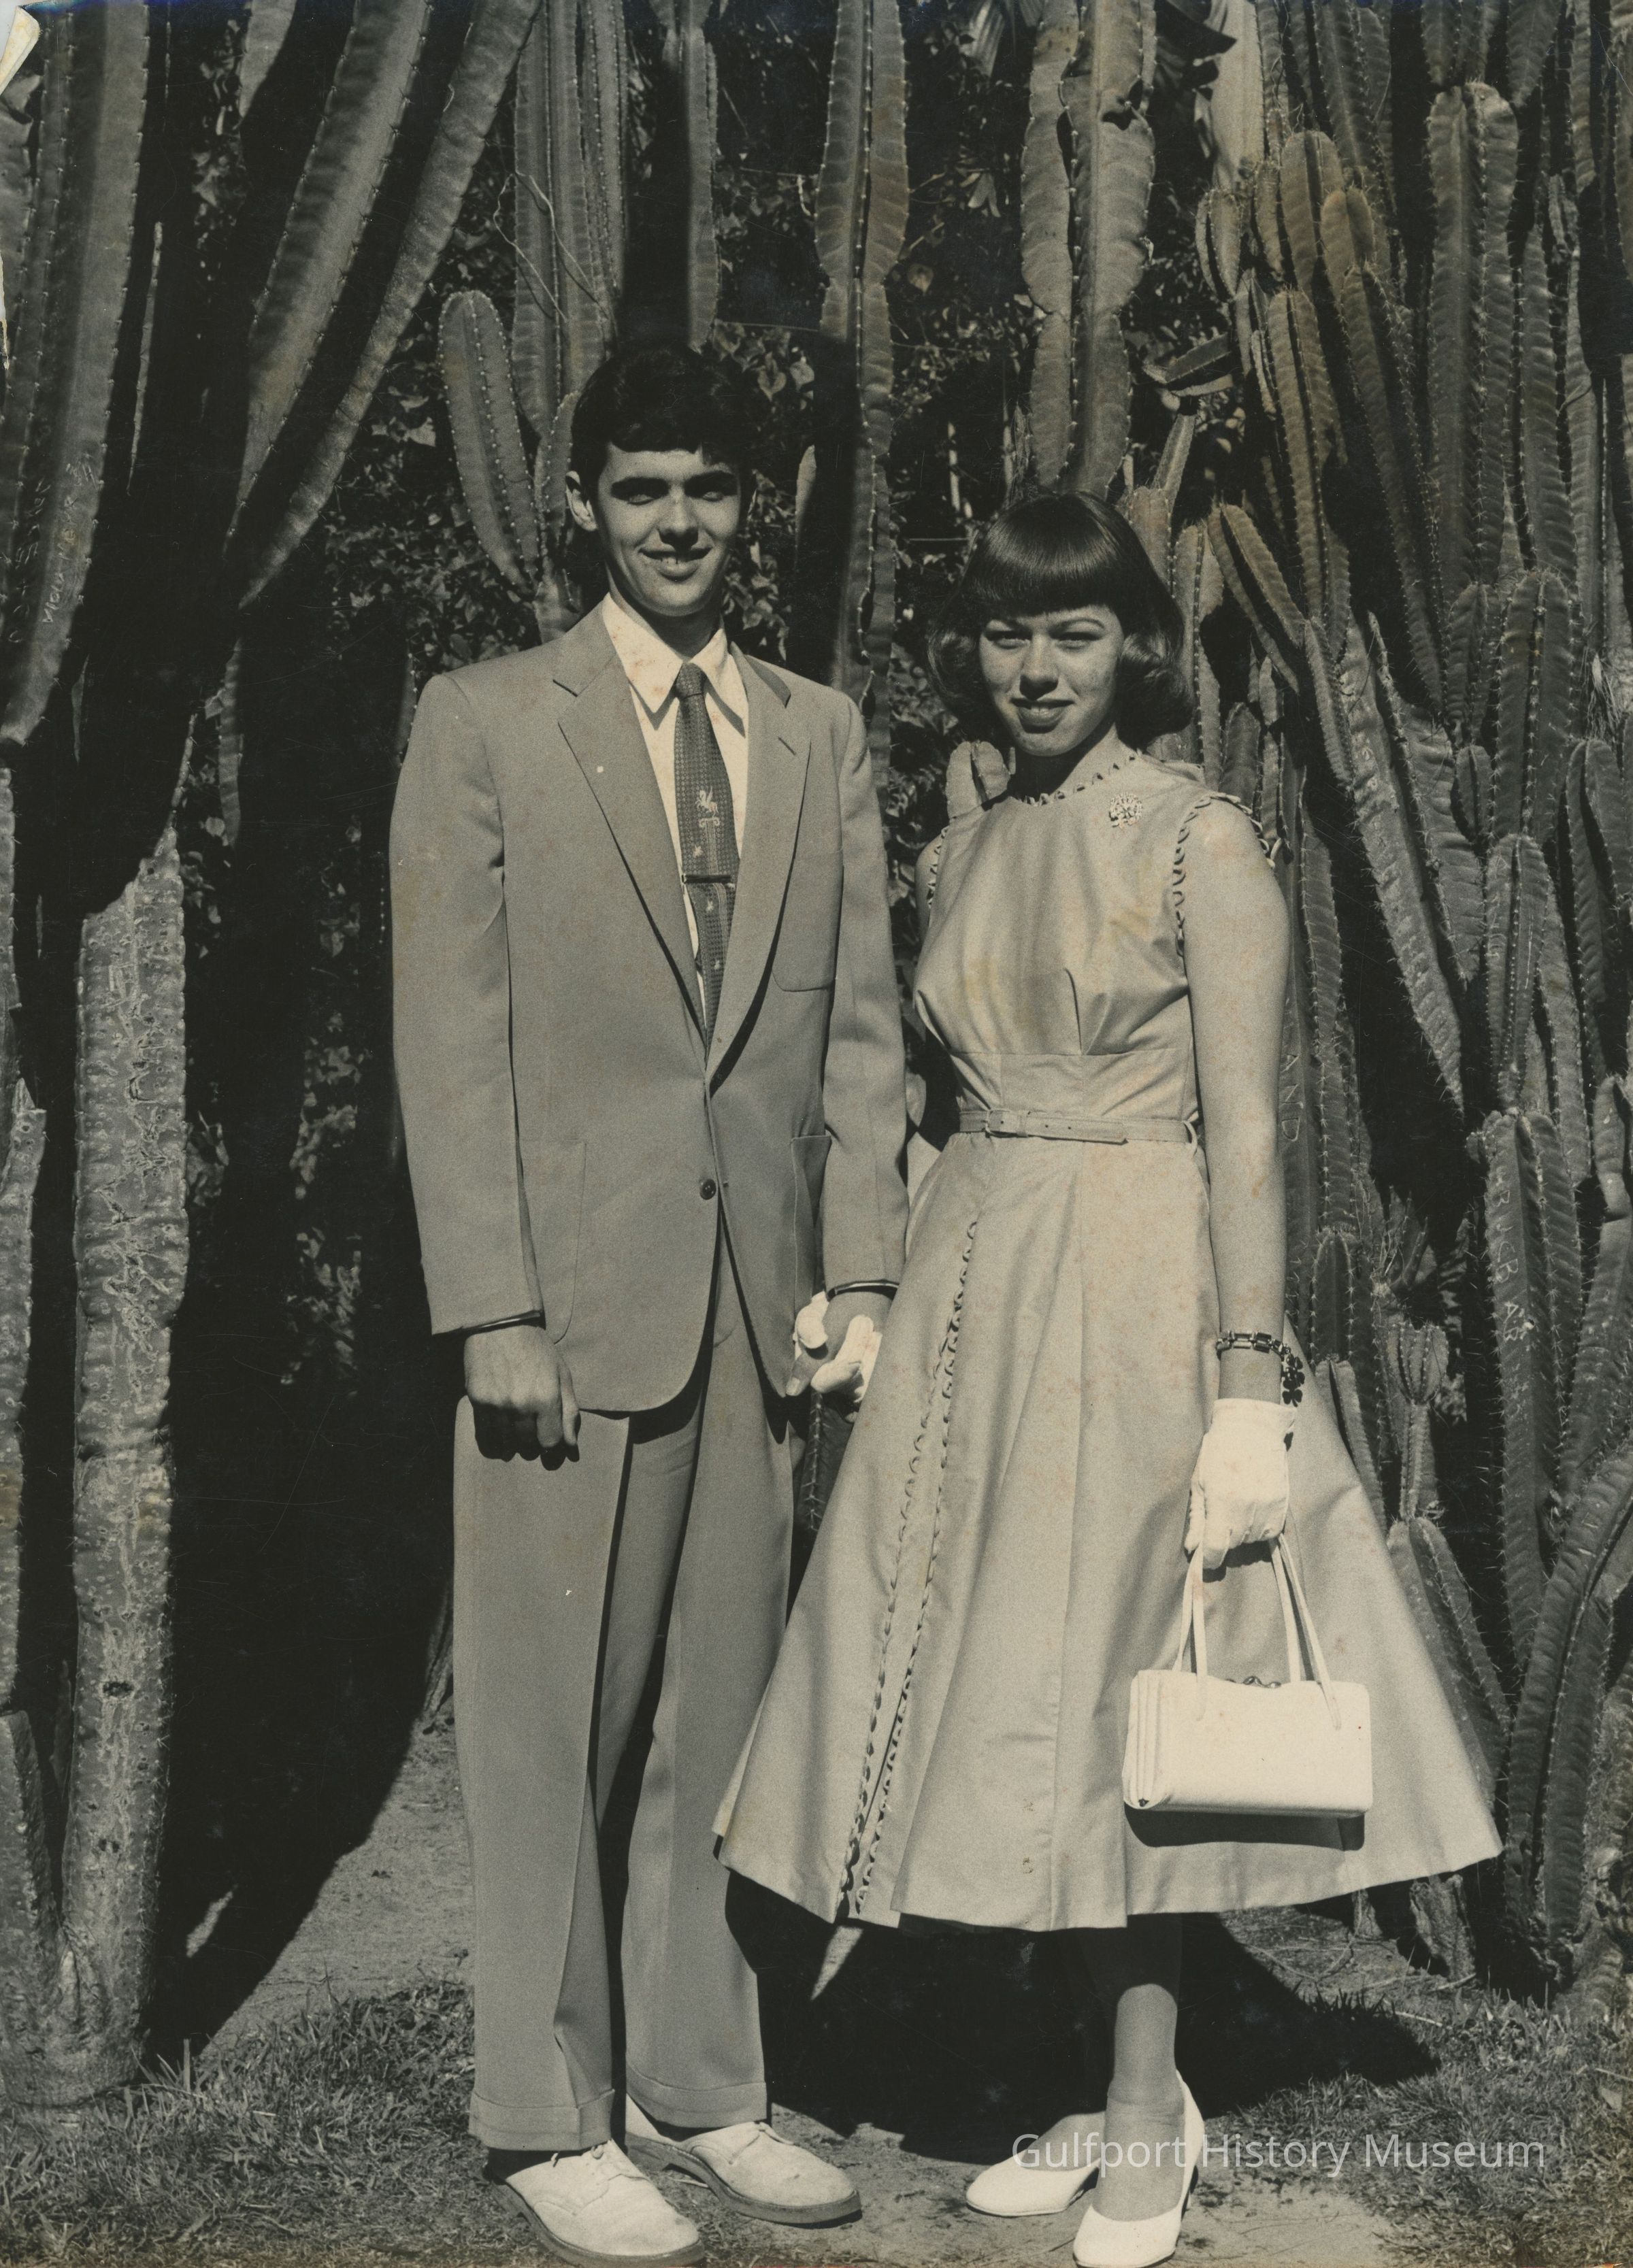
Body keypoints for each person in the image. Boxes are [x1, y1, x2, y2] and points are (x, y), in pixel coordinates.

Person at [715, 490, 1501, 2268]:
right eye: (1008, 632)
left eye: (1074, 632)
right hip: (977, 1293)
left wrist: (1247, 1385)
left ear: (1135, 646)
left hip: (1137, 1289)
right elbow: (941, 1099)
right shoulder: (966, 843)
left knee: (1111, 1703)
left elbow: (1250, 1133)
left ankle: (1148, 2104)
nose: (1038, 666)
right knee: (1012, 1706)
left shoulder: (1200, 842)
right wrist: (876, 1289)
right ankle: (1090, 2080)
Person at [389, 343, 908, 2267]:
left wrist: (860, 1266)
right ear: (582, 506)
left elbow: (859, 1034)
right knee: (552, 1727)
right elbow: (448, 1043)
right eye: (640, 489)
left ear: (749, 507)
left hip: (759, 1313)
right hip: (568, 1311)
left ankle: (700, 2080)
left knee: (722, 1722)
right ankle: (547, 2108)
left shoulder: (819, 734)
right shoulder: (486, 722)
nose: (678, 522)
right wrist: (492, 1306)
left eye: (708, 488)